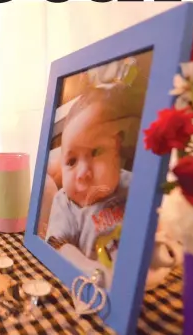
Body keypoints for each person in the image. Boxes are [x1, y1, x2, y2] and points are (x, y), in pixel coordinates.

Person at [45, 86, 133, 262]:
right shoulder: (66, 204)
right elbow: (57, 245)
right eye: (71, 161)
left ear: (117, 150)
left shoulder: (131, 184)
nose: (83, 172)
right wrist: (85, 266)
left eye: (96, 152)